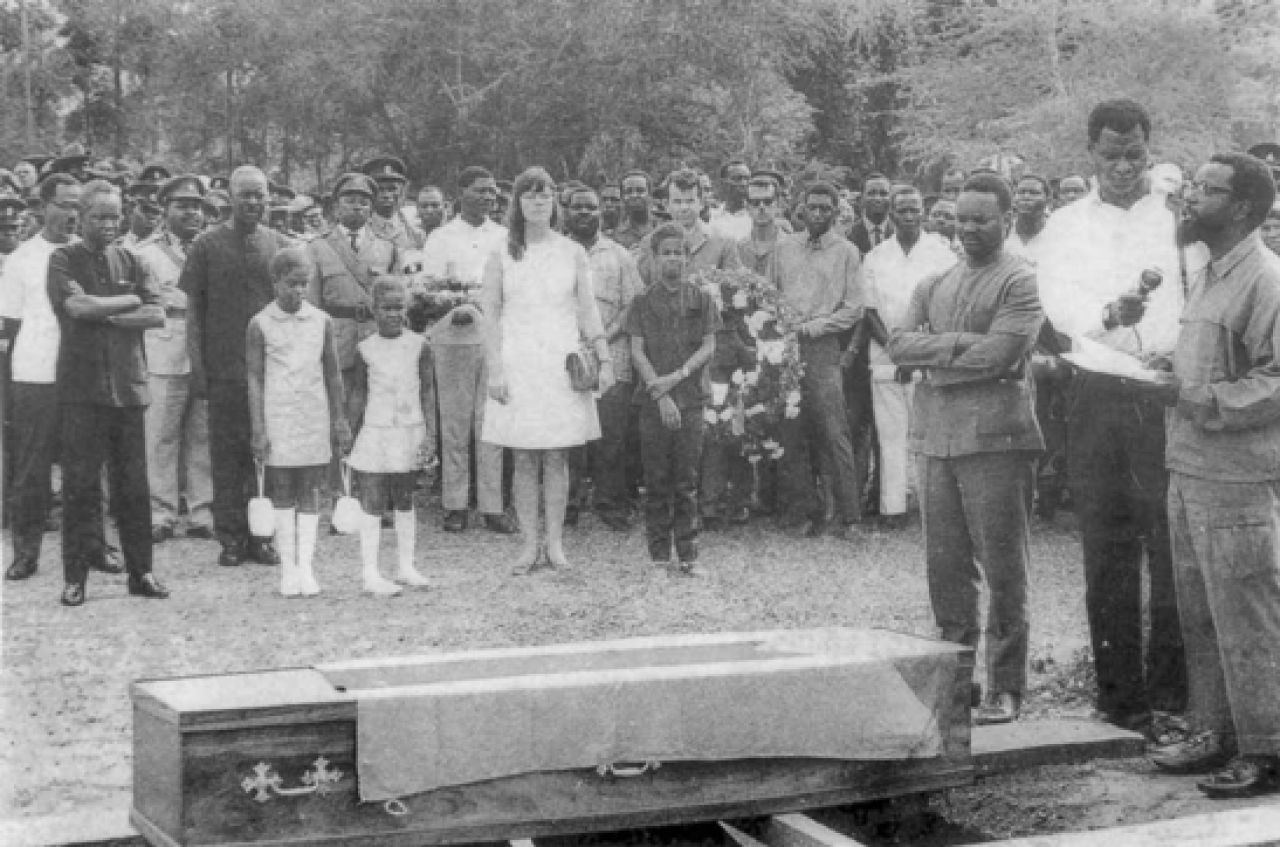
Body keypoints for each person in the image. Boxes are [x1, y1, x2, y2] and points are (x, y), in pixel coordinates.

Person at [1036, 99, 1187, 736]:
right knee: (1106, 544)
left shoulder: (1180, 215)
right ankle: (1120, 699)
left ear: (1149, 149)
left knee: (1171, 546)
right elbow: (1060, 304)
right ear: (1090, 154)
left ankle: (1176, 696)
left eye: (1134, 153)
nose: (1123, 166)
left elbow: (1197, 286)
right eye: (1110, 154)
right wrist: (1108, 313)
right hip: (1097, 391)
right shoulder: (1066, 224)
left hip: (1166, 393)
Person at [887, 172, 1044, 725]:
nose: (970, 228)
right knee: (945, 568)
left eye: (983, 218)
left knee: (1003, 566)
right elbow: (897, 343)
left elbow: (1002, 354)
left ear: (1007, 219)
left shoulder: (1020, 281)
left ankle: (1007, 687)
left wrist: (934, 357)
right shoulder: (934, 282)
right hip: (935, 438)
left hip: (996, 441)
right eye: (962, 218)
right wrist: (958, 351)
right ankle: (955, 683)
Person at [1148, 153, 1280, 798]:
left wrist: (1194, 396)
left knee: (1248, 615)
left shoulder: (1268, 280)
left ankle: (1268, 750)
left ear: (1245, 209)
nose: (1190, 198)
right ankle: (1215, 731)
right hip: (1190, 466)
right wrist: (1159, 367)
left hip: (1237, 478)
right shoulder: (1210, 273)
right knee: (1200, 611)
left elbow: (1276, 381)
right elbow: (1208, 359)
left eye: (1207, 190)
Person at [480, 166, 613, 572]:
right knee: (522, 457)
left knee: (556, 456)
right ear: (516, 203)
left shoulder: (571, 251)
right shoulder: (501, 252)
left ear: (555, 201)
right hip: (518, 363)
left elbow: (588, 311)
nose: (538, 201)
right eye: (529, 194)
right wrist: (496, 370)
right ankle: (528, 544)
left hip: (560, 364)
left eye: (545, 194)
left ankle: (555, 543)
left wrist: (604, 358)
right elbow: (491, 315)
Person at [46, 179, 170, 606]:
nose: (108, 225)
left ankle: (142, 572)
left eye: (114, 217)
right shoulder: (63, 259)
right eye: (99, 217)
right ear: (80, 218)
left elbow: (158, 314)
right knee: (81, 488)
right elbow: (75, 308)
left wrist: (110, 311)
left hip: (129, 390)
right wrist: (127, 302)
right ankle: (75, 577)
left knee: (133, 488)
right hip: (81, 390)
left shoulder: (133, 260)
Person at [181, 165, 293, 567]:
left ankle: (263, 537)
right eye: (245, 194)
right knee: (226, 454)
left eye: (260, 195)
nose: (253, 202)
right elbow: (194, 312)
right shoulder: (206, 245)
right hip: (224, 368)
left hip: (270, 371)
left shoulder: (279, 244)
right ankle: (230, 536)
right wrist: (198, 367)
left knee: (265, 453)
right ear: (229, 198)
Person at [247, 247, 351, 597]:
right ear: (275, 282)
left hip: (313, 413)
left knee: (311, 487)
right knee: (282, 489)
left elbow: (333, 374)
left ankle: (306, 567)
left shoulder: (321, 320)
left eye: (304, 284)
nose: (298, 291)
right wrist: (258, 428)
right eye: (291, 284)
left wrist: (339, 419)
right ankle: (287, 568)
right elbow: (255, 379)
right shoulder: (260, 323)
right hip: (278, 416)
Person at [419, 165, 514, 535]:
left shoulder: (506, 236)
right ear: (461, 193)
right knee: (455, 425)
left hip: (494, 338)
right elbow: (429, 289)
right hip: (453, 336)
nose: (489, 198)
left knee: (489, 422)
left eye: (492, 192)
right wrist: (456, 304)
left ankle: (492, 505)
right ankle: (455, 503)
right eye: (480, 191)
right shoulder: (441, 237)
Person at [770, 182, 865, 536]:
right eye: (813, 207)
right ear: (801, 209)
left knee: (834, 430)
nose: (819, 214)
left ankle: (849, 516)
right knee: (791, 429)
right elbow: (770, 293)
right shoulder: (784, 248)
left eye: (827, 208)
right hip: (786, 346)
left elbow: (855, 307)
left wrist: (817, 326)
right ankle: (803, 512)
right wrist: (784, 325)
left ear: (837, 211)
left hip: (824, 347)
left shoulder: (847, 252)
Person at [860, 185, 957, 528]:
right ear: (891, 213)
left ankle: (933, 506)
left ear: (924, 213)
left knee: (928, 433)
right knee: (890, 433)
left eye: (915, 209)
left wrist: (918, 350)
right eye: (902, 210)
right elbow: (869, 312)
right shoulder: (875, 257)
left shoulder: (942, 255)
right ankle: (893, 507)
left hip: (927, 354)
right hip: (886, 355)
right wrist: (896, 351)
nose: (909, 216)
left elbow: (947, 308)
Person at [1, 175, 81, 581]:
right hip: (35, 374)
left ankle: (93, 547)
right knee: (31, 468)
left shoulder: (90, 253)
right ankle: (26, 552)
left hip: (83, 377)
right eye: (65, 204)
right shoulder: (22, 259)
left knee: (84, 466)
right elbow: (9, 324)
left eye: (77, 206)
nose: (72, 214)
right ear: (44, 206)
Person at [627, 222, 720, 572]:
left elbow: (709, 346)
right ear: (654, 258)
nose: (673, 260)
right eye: (666, 253)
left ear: (687, 258)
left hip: (692, 398)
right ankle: (658, 556)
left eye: (679, 253)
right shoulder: (641, 303)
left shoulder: (702, 299)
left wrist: (678, 377)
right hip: (653, 402)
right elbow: (637, 351)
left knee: (686, 480)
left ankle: (689, 554)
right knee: (656, 480)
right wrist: (660, 393)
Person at [136, 175, 214, 542]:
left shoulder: (212, 246)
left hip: (204, 350)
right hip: (163, 348)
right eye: (182, 206)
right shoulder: (145, 253)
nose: (191, 213)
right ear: (164, 210)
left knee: (202, 433)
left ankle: (203, 510)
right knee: (161, 435)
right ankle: (160, 512)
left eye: (196, 206)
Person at [346, 277, 435, 595]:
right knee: (371, 499)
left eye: (399, 307)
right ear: (374, 310)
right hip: (376, 431)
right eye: (386, 308)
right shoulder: (365, 349)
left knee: (405, 497)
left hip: (409, 429)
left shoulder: (419, 345)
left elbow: (427, 391)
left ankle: (406, 566)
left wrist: (430, 433)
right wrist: (348, 430)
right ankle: (370, 572)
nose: (393, 314)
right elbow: (358, 393)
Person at [563, 185, 642, 530]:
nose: (584, 214)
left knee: (611, 432)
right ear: (566, 212)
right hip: (567, 353)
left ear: (601, 213)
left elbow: (632, 305)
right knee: (570, 433)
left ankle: (610, 502)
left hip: (613, 351)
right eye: (577, 208)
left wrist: (601, 339)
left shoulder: (619, 255)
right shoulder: (555, 252)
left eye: (590, 208)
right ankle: (569, 501)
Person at [304, 173, 400, 428]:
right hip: (337, 342)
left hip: (374, 337)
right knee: (339, 414)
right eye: (350, 200)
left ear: (371, 210)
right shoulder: (317, 248)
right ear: (336, 207)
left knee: (376, 414)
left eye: (364, 202)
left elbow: (396, 302)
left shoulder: (387, 248)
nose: (357, 206)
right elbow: (311, 306)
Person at [635, 168, 741, 284]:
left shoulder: (724, 243)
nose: (684, 208)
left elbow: (733, 288)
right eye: (677, 202)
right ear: (666, 205)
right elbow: (641, 291)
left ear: (701, 203)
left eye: (690, 201)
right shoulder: (649, 243)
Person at [362, 156, 418, 251]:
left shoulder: (413, 229)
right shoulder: (359, 228)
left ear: (401, 191)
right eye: (380, 189)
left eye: (392, 189)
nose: (386, 195)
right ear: (369, 192)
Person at [1006, 174, 1051, 264]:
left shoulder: (1059, 235)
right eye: (1021, 192)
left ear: (1048, 200)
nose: (1026, 197)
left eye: (1034, 193)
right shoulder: (1003, 234)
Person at [708, 160, 753, 242]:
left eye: (747, 179)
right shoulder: (712, 217)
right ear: (723, 183)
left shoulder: (757, 217)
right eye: (737, 179)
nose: (744, 183)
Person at [848, 174, 895, 254]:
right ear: (862, 197)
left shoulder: (901, 234)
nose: (877, 199)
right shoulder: (848, 235)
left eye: (883, 193)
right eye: (871, 193)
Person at [611, 170, 656, 249]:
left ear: (650, 195)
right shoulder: (614, 236)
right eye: (628, 192)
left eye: (640, 191)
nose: (634, 195)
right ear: (622, 197)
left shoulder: (663, 227)